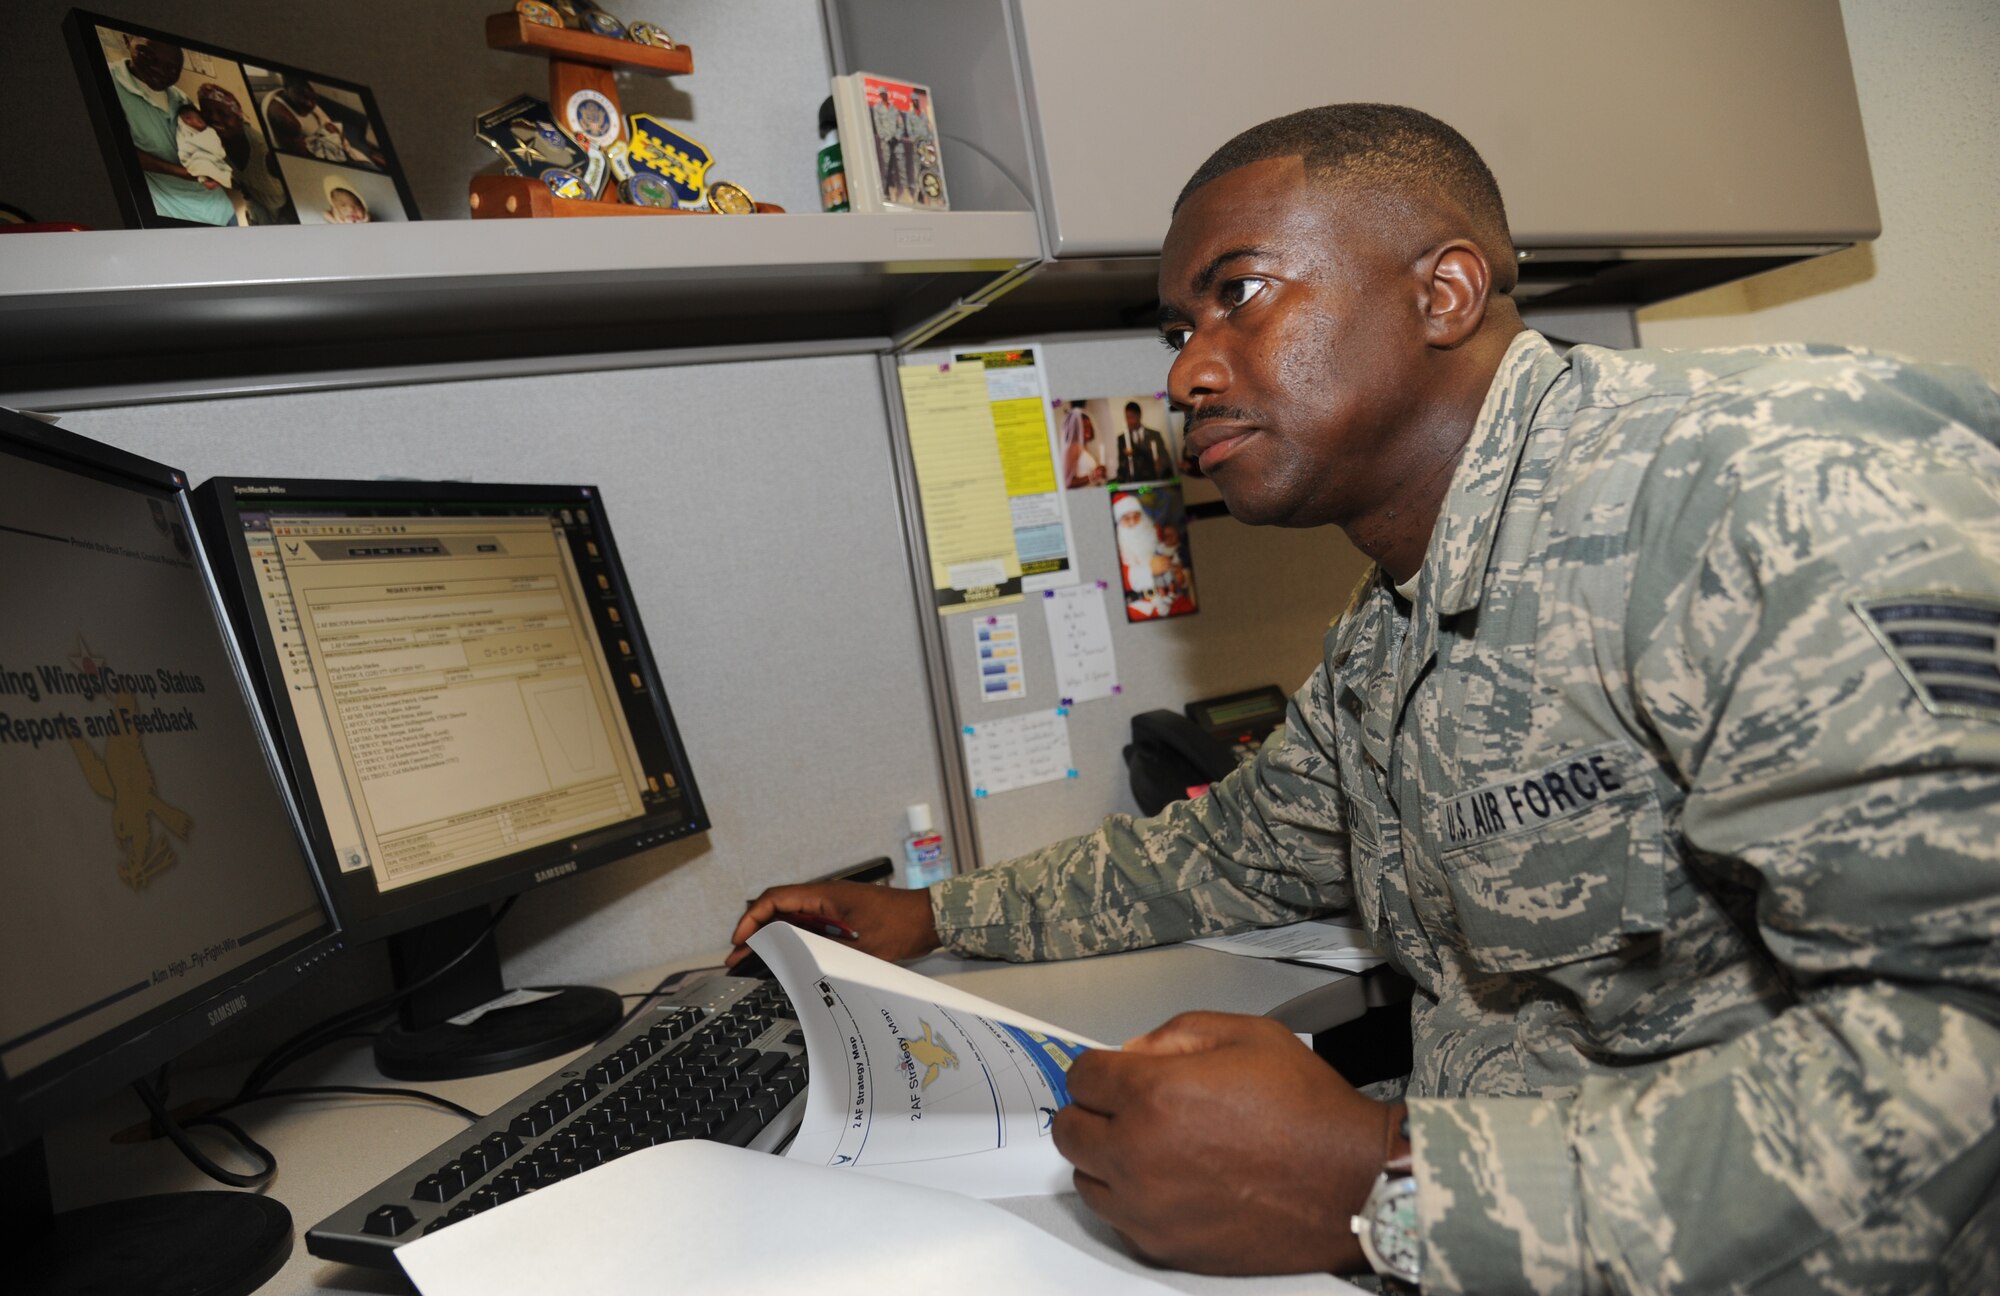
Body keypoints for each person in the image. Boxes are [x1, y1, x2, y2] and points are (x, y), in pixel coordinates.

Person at [731, 102, 2000, 1290]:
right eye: (1179, 329)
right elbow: (1235, 852)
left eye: (1239, 295)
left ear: (1441, 293)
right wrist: (935, 915)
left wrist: (1373, 1185)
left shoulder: (1778, 497)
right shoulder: (1395, 616)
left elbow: (1960, 1070)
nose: (1184, 377)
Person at [105, 37, 236, 226]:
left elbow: (204, 137)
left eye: (172, 68)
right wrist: (185, 172)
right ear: (127, 41)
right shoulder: (109, 85)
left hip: (221, 210)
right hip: (178, 215)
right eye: (148, 57)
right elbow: (117, 152)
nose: (160, 71)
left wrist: (213, 163)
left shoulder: (179, 97)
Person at [173, 105, 232, 190]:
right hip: (199, 160)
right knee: (201, 164)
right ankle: (209, 177)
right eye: (187, 118)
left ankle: (217, 177)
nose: (198, 119)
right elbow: (185, 152)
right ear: (184, 122)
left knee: (220, 168)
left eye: (199, 116)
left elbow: (217, 148)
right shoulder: (186, 138)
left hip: (215, 159)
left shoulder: (210, 131)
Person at [1115, 400, 1172, 482]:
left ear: (1139, 415)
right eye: (1127, 418)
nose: (1129, 421)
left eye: (1131, 417)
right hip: (1133, 481)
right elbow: (1121, 463)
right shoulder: (1122, 439)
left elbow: (1165, 458)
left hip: (1154, 479)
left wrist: (1161, 463)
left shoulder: (1154, 435)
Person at [1060, 405, 1105, 488]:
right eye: (1084, 427)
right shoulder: (1074, 447)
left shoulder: (1085, 448)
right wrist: (1092, 476)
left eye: (1089, 426)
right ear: (1077, 429)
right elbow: (1067, 482)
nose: (1088, 430)